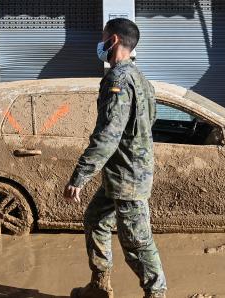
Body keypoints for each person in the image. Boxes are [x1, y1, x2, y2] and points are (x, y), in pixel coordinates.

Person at [63, 18, 167, 298]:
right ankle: (100, 286)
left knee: (137, 242)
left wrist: (81, 176)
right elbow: (150, 120)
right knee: (96, 219)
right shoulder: (142, 79)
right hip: (121, 173)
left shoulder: (118, 79)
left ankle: (157, 295)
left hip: (128, 177)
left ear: (115, 41)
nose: (100, 43)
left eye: (103, 37)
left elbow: (109, 133)